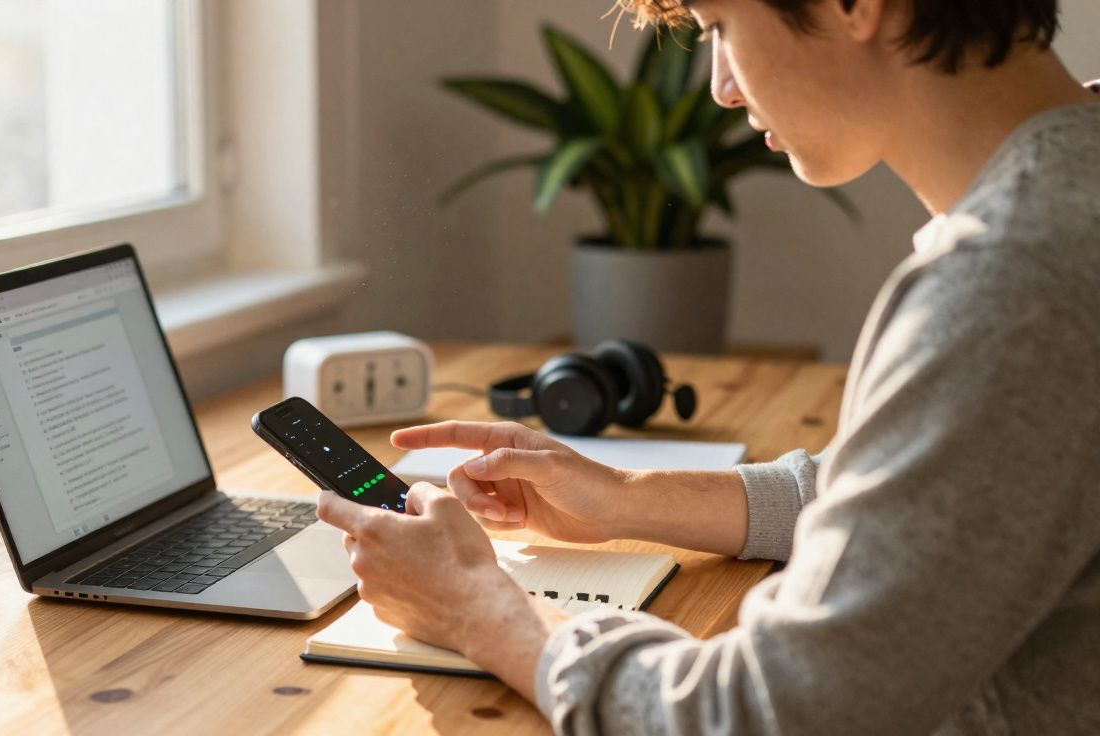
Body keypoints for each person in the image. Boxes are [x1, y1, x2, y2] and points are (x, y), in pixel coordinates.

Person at [316, 0, 1100, 732]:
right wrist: (624, 498)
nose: (721, 87)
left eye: (721, 23)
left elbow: (771, 713)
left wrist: (478, 610)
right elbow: (923, 501)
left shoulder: (1016, 273)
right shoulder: (1068, 181)